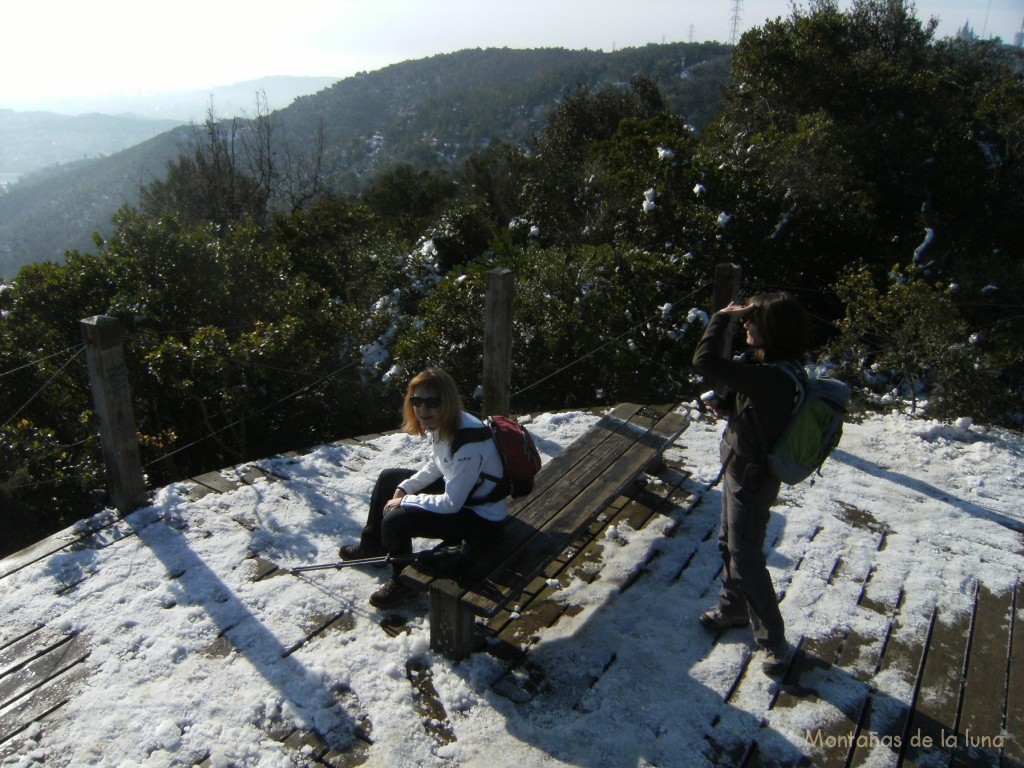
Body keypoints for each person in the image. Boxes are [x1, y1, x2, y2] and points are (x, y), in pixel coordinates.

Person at [692, 292, 810, 676]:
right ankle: (733, 609)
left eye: (752, 320)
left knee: (746, 556)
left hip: (752, 478)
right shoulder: (771, 366)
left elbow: (705, 361)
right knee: (730, 542)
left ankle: (773, 640)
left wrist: (722, 317)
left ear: (771, 330)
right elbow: (762, 415)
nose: (746, 324)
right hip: (740, 467)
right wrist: (729, 409)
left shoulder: (773, 377)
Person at [339, 367, 508, 609]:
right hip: (466, 494)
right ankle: (372, 547)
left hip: (481, 517)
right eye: (416, 400)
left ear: (447, 402)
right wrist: (405, 488)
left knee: (395, 521)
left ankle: (403, 583)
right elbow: (438, 464)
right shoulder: (447, 424)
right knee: (390, 479)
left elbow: (452, 504)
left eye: (432, 402)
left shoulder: (469, 442)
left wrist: (404, 501)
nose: (422, 409)